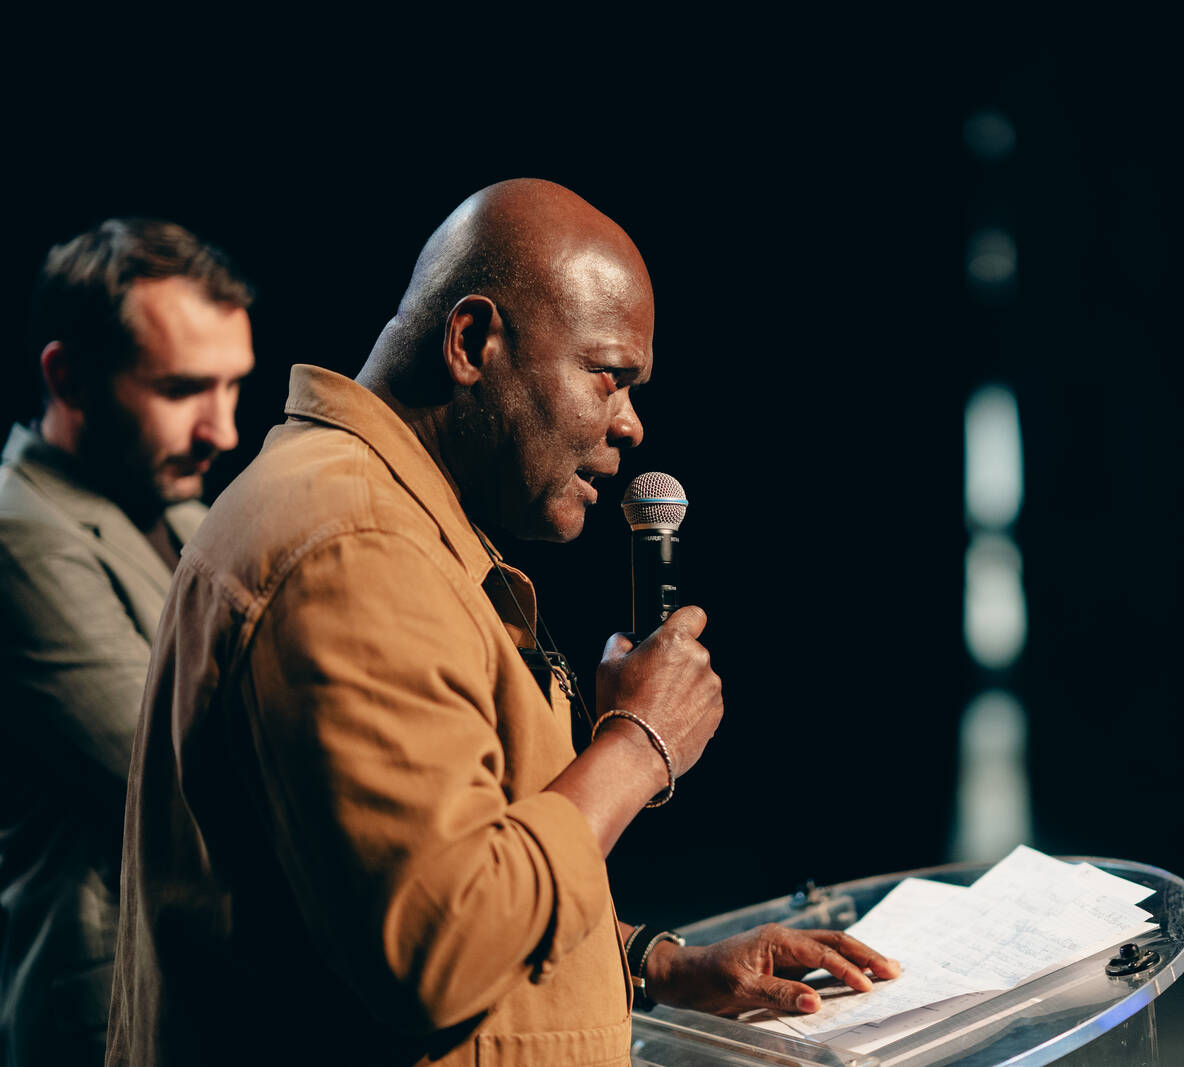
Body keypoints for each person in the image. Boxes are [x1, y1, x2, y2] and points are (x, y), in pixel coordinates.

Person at [106, 180, 898, 1067]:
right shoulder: (353, 546)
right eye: (609, 375)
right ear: (472, 341)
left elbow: (431, 871)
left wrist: (656, 961)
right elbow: (435, 946)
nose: (631, 424)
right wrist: (639, 743)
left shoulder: (380, 515)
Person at [0, 218, 255, 1067]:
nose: (223, 430)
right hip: (104, 1021)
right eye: (183, 389)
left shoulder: (179, 509)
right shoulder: (16, 532)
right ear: (67, 377)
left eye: (233, 385)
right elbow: (178, 771)